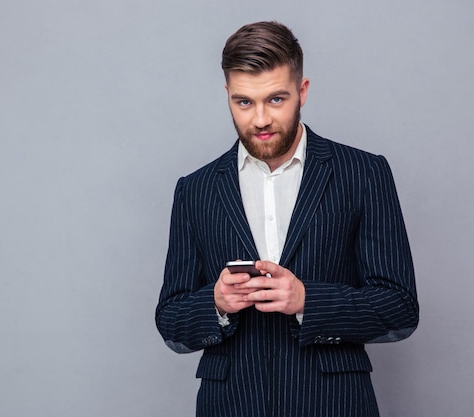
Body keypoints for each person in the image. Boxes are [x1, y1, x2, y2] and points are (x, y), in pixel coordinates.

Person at [156, 21, 419, 417]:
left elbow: (400, 308)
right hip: (230, 405)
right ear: (227, 94)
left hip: (334, 404)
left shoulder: (363, 173)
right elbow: (171, 321)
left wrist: (307, 301)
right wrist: (216, 302)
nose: (260, 119)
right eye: (244, 102)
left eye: (276, 100)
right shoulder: (195, 189)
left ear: (303, 92)